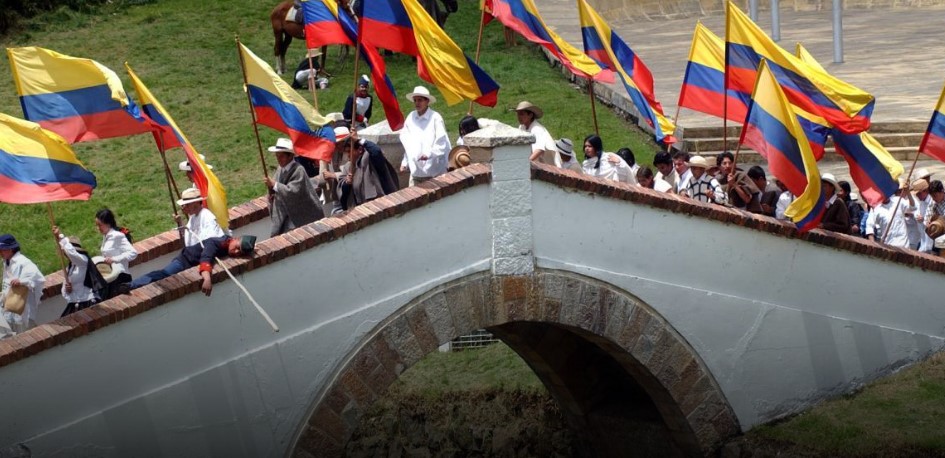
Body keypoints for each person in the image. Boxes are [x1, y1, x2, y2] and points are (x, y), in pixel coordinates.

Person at [126, 235, 256, 296]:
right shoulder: (215, 243)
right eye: (237, 248)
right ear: (236, 239)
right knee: (164, 275)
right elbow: (206, 259)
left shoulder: (227, 245)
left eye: (240, 253)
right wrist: (207, 279)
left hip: (189, 263)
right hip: (184, 261)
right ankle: (131, 285)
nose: (236, 252)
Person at [266, 138, 325, 236]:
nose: (278, 159)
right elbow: (276, 188)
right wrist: (271, 193)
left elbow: (293, 191)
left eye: (282, 156)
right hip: (286, 215)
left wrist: (274, 185)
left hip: (302, 216)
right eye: (277, 156)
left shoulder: (299, 170)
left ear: (290, 156)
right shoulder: (280, 169)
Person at [329, 127, 399, 208]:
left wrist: (359, 140)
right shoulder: (347, 167)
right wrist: (346, 183)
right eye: (346, 152)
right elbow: (343, 190)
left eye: (349, 151)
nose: (348, 155)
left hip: (380, 206)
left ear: (359, 150)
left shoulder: (369, 158)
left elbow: (376, 151)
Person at [399, 86, 450, 186]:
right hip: (416, 172)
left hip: (433, 172)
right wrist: (405, 162)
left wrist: (429, 154)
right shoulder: (411, 117)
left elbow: (441, 141)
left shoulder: (435, 118)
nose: (417, 103)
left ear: (427, 101)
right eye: (415, 100)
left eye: (420, 100)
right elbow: (408, 143)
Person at [0, 234, 44, 336]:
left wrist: (21, 281)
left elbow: (38, 278)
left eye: (2, 249)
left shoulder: (24, 262)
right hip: (9, 309)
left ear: (10, 249)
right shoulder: (7, 262)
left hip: (23, 312)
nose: (0, 253)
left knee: (25, 337)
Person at [52, 228, 98, 316]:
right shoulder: (70, 267)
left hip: (87, 303)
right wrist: (67, 289)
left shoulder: (83, 261)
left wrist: (60, 237)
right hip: (74, 304)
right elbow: (65, 291)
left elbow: (73, 254)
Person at [96, 208, 138, 297]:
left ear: (108, 223)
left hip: (121, 277)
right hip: (112, 277)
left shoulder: (117, 236)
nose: (98, 228)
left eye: (100, 225)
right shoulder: (106, 236)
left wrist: (114, 259)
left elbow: (133, 253)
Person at [912, 179, 934, 252]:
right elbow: (917, 213)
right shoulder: (921, 202)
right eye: (917, 194)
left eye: (919, 194)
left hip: (933, 242)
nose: (918, 196)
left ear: (925, 191)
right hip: (923, 241)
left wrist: (923, 220)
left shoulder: (933, 201)